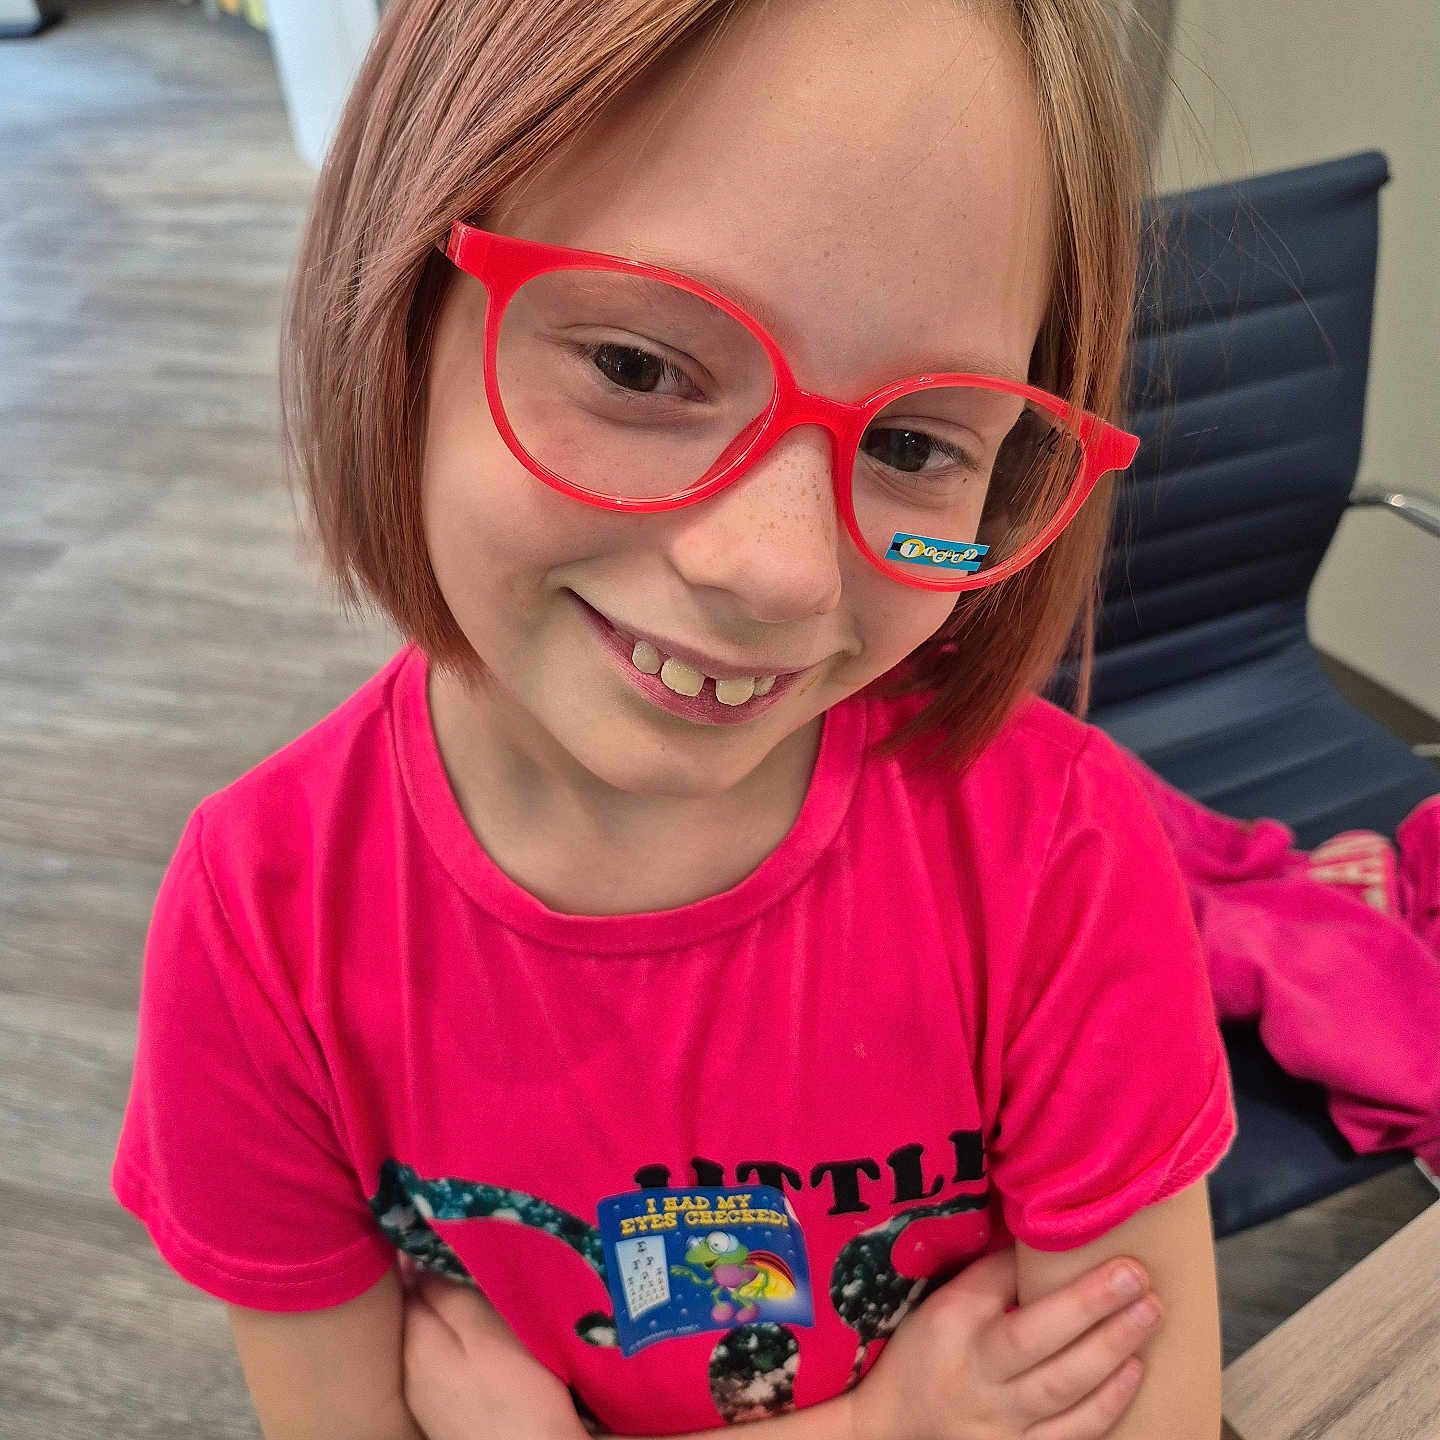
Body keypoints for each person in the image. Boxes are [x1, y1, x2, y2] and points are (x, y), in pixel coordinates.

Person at [111, 0, 1237, 1437]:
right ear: (399, 303)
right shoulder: (263, 927)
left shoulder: (1058, 861)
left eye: (911, 444)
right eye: (639, 366)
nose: (773, 570)